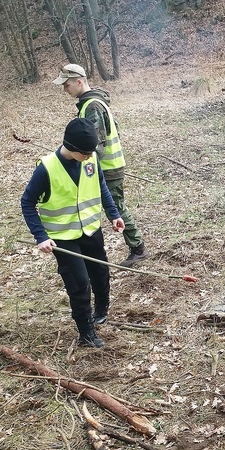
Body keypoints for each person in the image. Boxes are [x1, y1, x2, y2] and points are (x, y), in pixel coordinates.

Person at [21, 118, 125, 347]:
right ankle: (86, 332)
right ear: (72, 148)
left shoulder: (91, 158)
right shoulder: (46, 169)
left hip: (90, 229)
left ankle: (101, 310)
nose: (90, 156)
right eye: (85, 153)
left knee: (100, 271)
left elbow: (101, 186)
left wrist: (113, 214)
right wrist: (41, 236)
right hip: (62, 237)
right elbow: (27, 203)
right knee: (79, 282)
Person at [53, 63, 147, 267]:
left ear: (79, 81)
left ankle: (138, 248)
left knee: (115, 207)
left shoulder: (92, 106)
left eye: (67, 85)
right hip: (107, 165)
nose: (65, 89)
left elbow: (96, 143)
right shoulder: (93, 102)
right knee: (112, 206)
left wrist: (81, 160)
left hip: (107, 167)